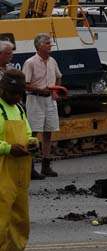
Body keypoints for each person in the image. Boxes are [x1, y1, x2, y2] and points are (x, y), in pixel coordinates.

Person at [0, 70, 40, 251]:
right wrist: (7, 148)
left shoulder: (20, 108)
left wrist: (31, 142)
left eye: (20, 93)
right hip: (2, 173)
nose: (17, 97)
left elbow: (26, 133)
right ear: (3, 89)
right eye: (13, 93)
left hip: (18, 177)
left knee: (18, 227)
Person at [23, 33, 62, 179]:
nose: (50, 45)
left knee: (48, 132)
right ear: (39, 46)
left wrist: (56, 91)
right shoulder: (30, 62)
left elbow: (59, 76)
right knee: (33, 133)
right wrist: (42, 90)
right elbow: (25, 85)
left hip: (49, 101)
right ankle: (30, 167)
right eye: (47, 43)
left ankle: (46, 166)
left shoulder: (52, 61)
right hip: (35, 100)